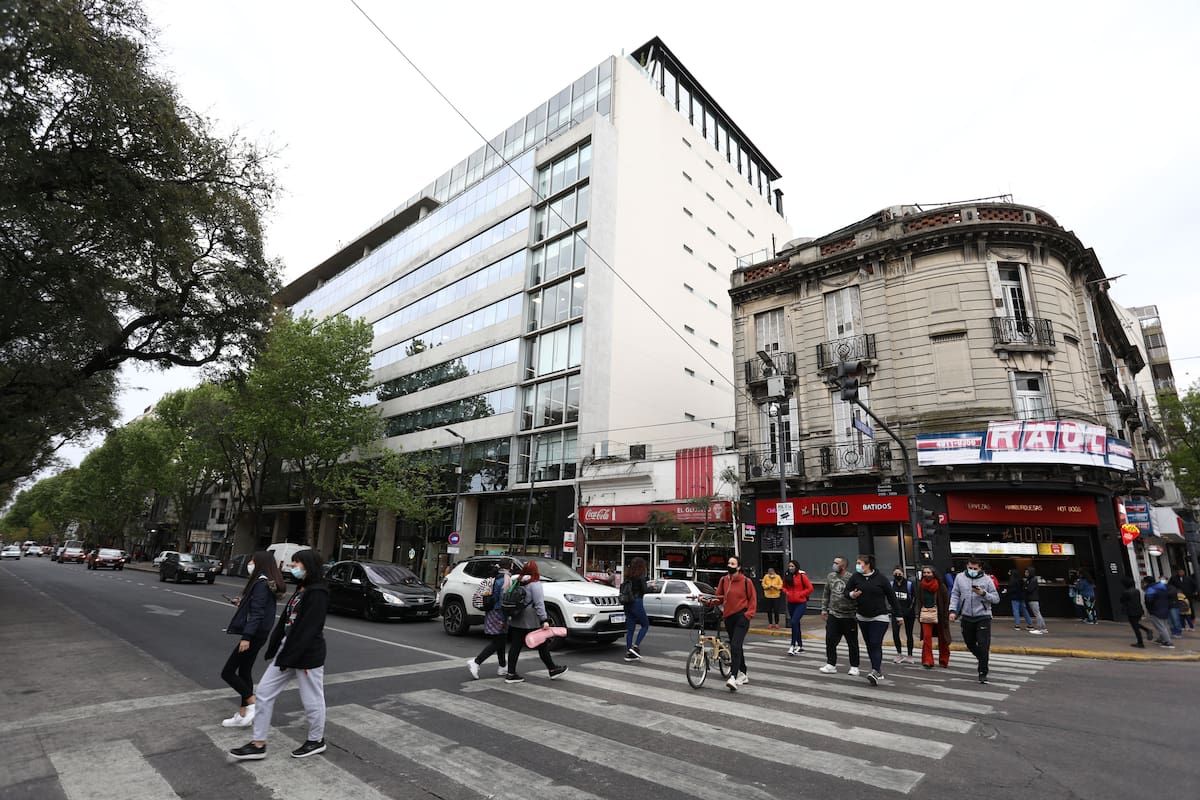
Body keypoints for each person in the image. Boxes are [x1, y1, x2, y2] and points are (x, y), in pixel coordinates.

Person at [230, 549, 330, 761]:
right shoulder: (302, 588)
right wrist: (275, 647)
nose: (293, 567)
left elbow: (308, 630)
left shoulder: (318, 592)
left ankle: (316, 740)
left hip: (306, 654)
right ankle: (258, 743)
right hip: (288, 650)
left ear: (309, 565)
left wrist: (289, 657)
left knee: (312, 699)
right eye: (293, 563)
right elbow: (287, 621)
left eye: (297, 564)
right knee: (264, 692)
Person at [220, 551, 286, 728]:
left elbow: (257, 613)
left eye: (252, 561)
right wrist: (242, 604)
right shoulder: (266, 582)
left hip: (254, 635)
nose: (249, 563)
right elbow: (259, 608)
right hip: (260, 633)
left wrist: (246, 637)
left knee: (227, 672)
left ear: (259, 564)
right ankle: (243, 714)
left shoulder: (261, 583)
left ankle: (253, 703)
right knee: (244, 671)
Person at [504, 561, 567, 684]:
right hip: (530, 619)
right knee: (542, 645)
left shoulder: (518, 581)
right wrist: (544, 619)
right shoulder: (535, 584)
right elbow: (539, 604)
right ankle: (552, 669)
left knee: (515, 647)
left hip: (517, 617)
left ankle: (510, 673)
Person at [845, 554, 901, 686]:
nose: (857, 565)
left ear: (867, 564)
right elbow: (846, 592)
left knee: (875, 642)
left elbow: (892, 597)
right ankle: (877, 669)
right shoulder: (856, 577)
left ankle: (875, 671)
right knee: (870, 644)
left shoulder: (881, 579)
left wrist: (899, 615)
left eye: (859, 563)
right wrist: (853, 594)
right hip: (862, 616)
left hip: (879, 616)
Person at [949, 557, 1000, 684]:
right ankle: (982, 658)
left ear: (980, 568)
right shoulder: (960, 578)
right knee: (970, 643)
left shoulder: (987, 580)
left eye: (975, 569)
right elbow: (955, 594)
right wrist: (952, 610)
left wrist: (983, 593)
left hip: (983, 616)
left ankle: (983, 672)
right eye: (970, 568)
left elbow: (996, 598)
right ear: (967, 566)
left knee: (983, 645)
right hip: (966, 616)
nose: (972, 570)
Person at [713, 555, 756, 691]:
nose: (729, 566)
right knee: (736, 646)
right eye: (728, 563)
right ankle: (743, 673)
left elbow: (753, 600)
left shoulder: (746, 581)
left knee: (736, 645)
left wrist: (748, 615)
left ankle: (733, 676)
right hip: (729, 617)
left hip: (741, 617)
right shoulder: (724, 580)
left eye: (733, 564)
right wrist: (707, 601)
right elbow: (719, 598)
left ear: (738, 567)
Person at [819, 557, 860, 676]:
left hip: (849, 615)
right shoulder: (831, 576)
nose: (834, 565)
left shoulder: (851, 578)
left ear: (843, 565)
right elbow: (826, 593)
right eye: (834, 562)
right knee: (830, 640)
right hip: (833, 614)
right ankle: (831, 664)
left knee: (852, 642)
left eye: (837, 563)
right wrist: (824, 609)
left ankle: (854, 666)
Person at [468, 563, 510, 678]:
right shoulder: (504, 580)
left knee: (501, 639)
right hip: (498, 613)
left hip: (491, 611)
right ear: (509, 566)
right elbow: (501, 601)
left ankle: (502, 666)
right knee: (498, 641)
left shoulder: (496, 578)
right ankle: (476, 662)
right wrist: (503, 618)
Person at [916, 564, 952, 668]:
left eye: (929, 572)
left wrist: (946, 616)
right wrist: (919, 614)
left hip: (939, 615)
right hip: (926, 614)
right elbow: (919, 600)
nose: (926, 574)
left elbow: (946, 602)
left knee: (943, 638)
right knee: (927, 638)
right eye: (924, 573)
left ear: (934, 574)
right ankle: (928, 660)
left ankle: (944, 660)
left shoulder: (941, 586)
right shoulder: (921, 586)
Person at [781, 560, 814, 655]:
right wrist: (786, 592)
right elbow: (783, 587)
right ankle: (800, 645)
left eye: (792, 566)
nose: (790, 568)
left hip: (801, 603)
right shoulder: (787, 576)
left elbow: (810, 588)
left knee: (794, 622)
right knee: (796, 624)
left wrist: (801, 594)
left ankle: (792, 645)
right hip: (791, 602)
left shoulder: (802, 576)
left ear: (796, 567)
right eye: (789, 566)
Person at [622, 556, 650, 661]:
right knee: (645, 625)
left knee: (630, 629)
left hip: (627, 603)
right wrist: (651, 587)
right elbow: (644, 590)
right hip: (636, 602)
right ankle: (636, 646)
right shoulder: (641, 576)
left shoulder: (627, 575)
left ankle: (629, 652)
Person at [889, 566, 916, 664]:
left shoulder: (909, 585)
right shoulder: (891, 584)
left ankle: (910, 655)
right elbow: (889, 598)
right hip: (896, 613)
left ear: (903, 574)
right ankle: (899, 653)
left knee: (909, 633)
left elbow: (914, 598)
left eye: (899, 574)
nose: (897, 576)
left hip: (908, 613)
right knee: (895, 633)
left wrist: (909, 610)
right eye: (895, 574)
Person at [1119, 576, 1154, 648]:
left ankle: (1140, 642)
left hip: (1131, 611)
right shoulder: (1136, 591)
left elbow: (1122, 601)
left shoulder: (1126, 592)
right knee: (1136, 624)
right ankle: (1147, 631)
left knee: (1135, 627)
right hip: (1139, 610)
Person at [1143, 576, 1175, 647]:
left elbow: (1148, 601)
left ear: (1146, 582)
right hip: (1164, 608)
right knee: (1163, 625)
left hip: (1156, 610)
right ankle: (1161, 639)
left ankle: (1168, 642)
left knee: (1161, 627)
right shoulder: (1162, 587)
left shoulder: (1151, 589)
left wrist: (1150, 610)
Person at [1023, 567, 1048, 635]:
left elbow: (1029, 589)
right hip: (1032, 598)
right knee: (1037, 613)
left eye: (1027, 572)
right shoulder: (1030, 579)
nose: (1025, 573)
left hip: (1033, 599)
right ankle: (1043, 628)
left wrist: (1026, 587)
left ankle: (1039, 628)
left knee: (1037, 613)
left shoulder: (1033, 580)